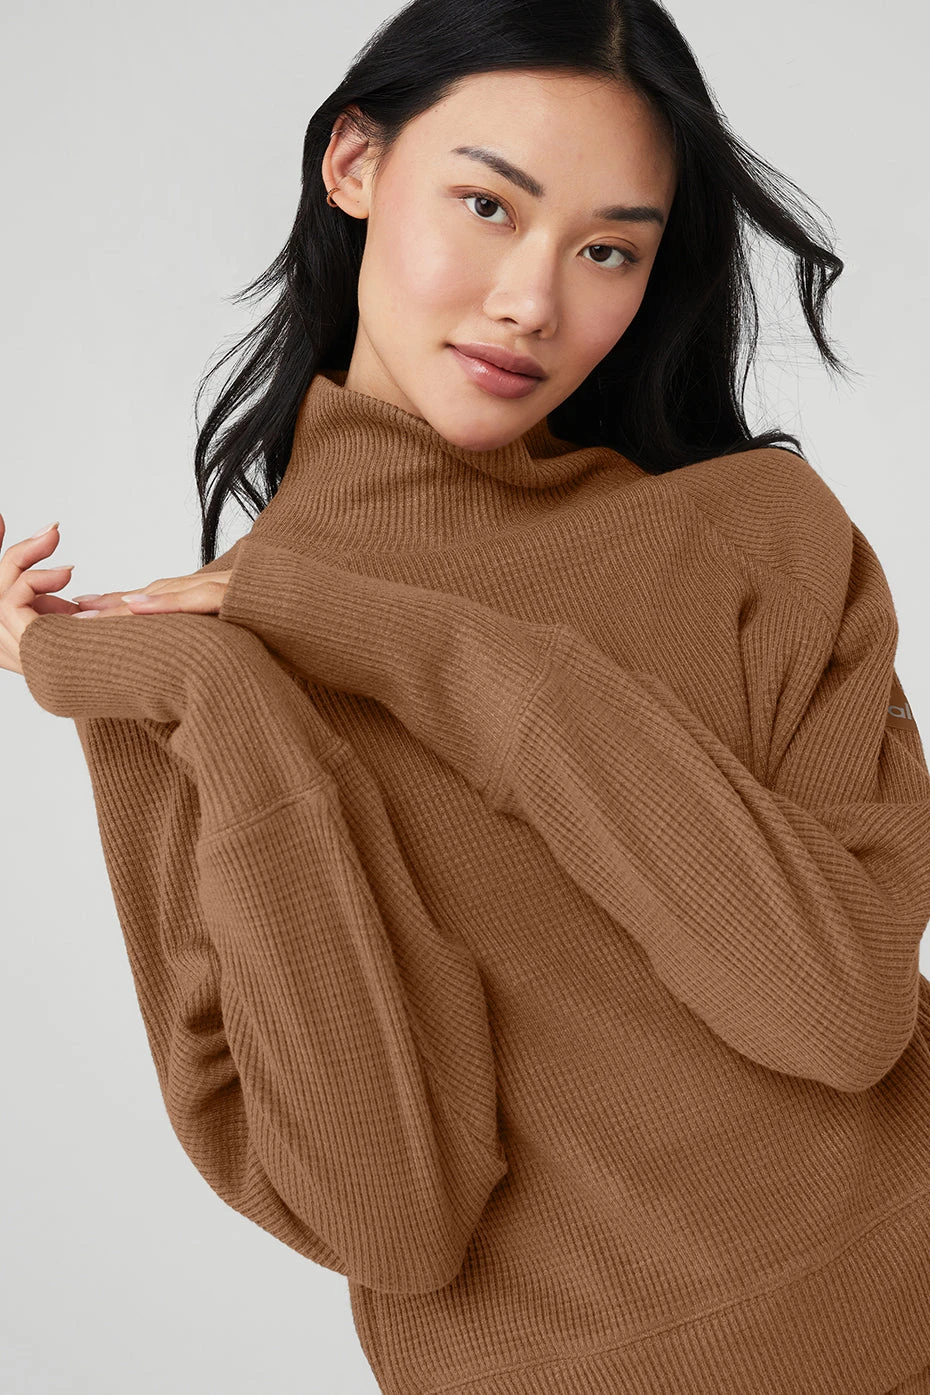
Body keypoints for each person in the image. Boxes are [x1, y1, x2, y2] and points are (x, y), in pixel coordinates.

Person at [4, 1, 930, 1392]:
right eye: (487, 205)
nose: (531, 301)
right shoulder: (191, 672)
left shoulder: (758, 539)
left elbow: (836, 1010)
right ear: (354, 165)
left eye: (608, 248)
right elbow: (392, 1216)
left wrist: (424, 648)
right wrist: (218, 697)